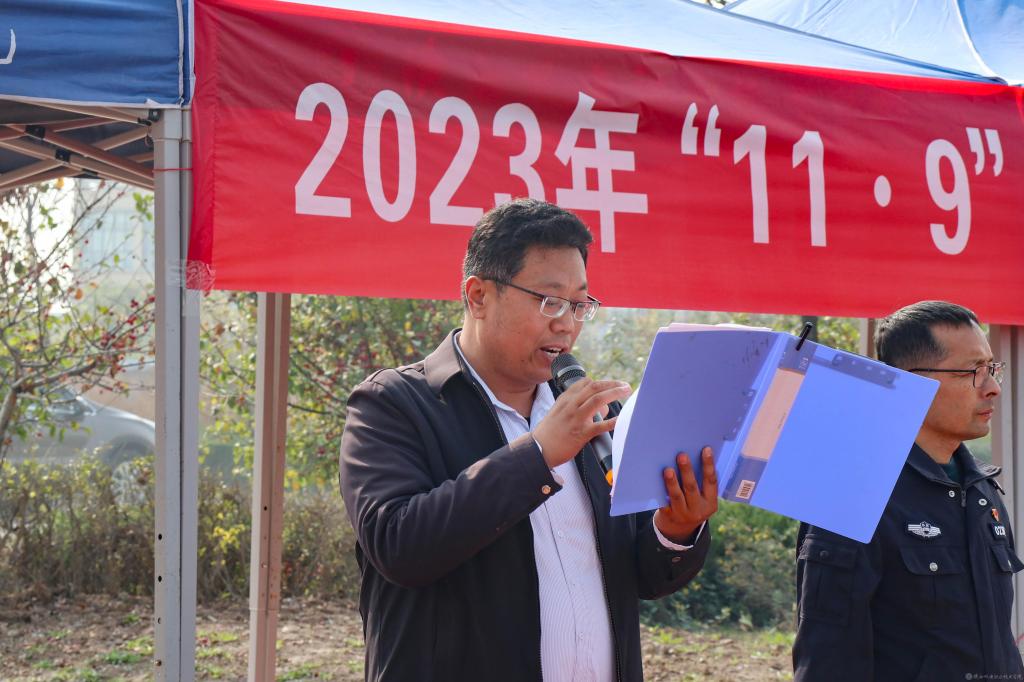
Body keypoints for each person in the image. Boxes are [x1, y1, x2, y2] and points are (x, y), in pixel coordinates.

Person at [339, 198, 717, 682]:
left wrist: (676, 529)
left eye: (579, 305)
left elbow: (643, 576)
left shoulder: (595, 414)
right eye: (549, 301)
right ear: (479, 296)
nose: (567, 323)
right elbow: (398, 546)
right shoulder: (393, 404)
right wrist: (538, 455)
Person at [793, 300, 1024, 681]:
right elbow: (828, 658)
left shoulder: (981, 490)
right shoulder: (855, 496)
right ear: (910, 382)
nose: (993, 388)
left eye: (992, 369)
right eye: (973, 371)